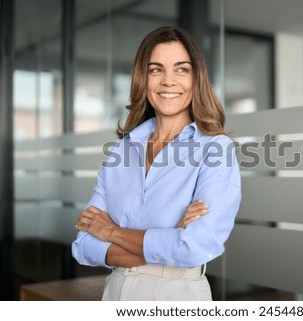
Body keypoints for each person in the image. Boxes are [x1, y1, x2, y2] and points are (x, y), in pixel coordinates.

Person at [71, 26, 242, 301]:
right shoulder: (120, 152)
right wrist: (169, 239)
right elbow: (83, 245)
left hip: (178, 297)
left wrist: (111, 231)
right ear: (144, 78)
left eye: (181, 69)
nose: (168, 81)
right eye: (156, 70)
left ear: (196, 78)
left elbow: (194, 246)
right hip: (114, 294)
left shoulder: (215, 150)